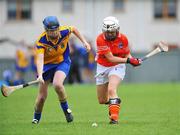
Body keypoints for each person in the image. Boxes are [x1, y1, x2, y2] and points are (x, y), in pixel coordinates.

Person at [32, 16, 91, 124]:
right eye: (51, 31)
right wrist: (40, 75)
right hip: (47, 66)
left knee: (58, 84)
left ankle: (67, 112)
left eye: (56, 30)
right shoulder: (41, 41)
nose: (54, 33)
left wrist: (84, 42)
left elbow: (74, 29)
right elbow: (40, 59)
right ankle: (36, 118)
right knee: (41, 98)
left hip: (62, 62)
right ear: (46, 30)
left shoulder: (64, 31)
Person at [95, 16, 141, 124]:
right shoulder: (100, 39)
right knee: (102, 100)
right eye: (107, 32)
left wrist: (133, 60)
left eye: (112, 32)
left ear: (117, 30)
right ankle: (114, 102)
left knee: (112, 89)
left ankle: (114, 119)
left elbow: (126, 54)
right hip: (102, 67)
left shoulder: (123, 38)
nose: (109, 34)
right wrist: (129, 61)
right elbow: (110, 58)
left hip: (117, 66)